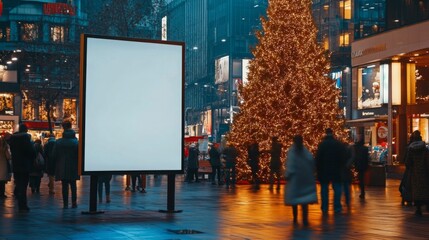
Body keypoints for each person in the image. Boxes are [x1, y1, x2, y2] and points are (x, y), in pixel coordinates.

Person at [284, 135, 317, 226]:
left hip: (295, 180)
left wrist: (287, 175)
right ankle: (305, 219)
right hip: (305, 179)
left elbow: (290, 165)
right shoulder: (306, 151)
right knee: (304, 200)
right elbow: (312, 162)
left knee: (295, 200)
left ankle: (295, 218)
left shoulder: (292, 152)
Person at [315, 128, 347, 214]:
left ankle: (325, 207)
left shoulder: (322, 144)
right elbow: (343, 157)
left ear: (325, 133)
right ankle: (337, 207)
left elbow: (318, 158)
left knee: (324, 189)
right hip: (336, 170)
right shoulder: (338, 144)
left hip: (324, 170)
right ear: (332, 133)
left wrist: (317, 170)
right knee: (337, 189)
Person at [8, 123, 37, 212]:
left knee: (19, 183)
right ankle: (23, 205)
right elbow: (32, 153)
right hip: (25, 165)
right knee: (24, 185)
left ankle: (20, 202)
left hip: (16, 165)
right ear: (26, 130)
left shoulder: (13, 140)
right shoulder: (27, 140)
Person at [53, 120, 79, 209]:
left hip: (62, 166)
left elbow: (54, 155)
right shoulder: (76, 142)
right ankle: (74, 202)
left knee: (64, 186)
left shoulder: (59, 142)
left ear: (63, 128)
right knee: (73, 184)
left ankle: (65, 203)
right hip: (74, 166)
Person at [404, 130, 429, 216]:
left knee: (416, 189)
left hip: (414, 173)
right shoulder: (425, 149)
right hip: (424, 173)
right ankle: (426, 203)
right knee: (425, 188)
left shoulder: (411, 150)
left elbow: (407, 162)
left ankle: (418, 208)